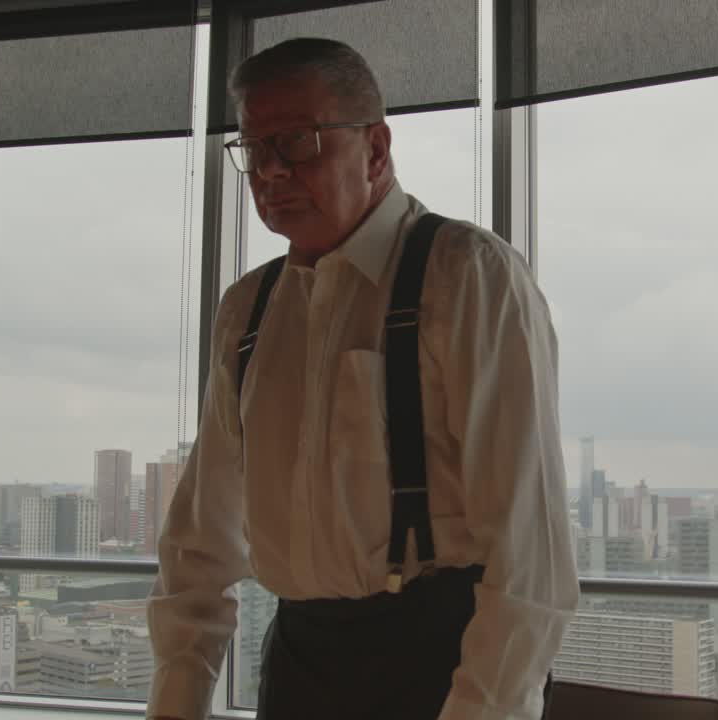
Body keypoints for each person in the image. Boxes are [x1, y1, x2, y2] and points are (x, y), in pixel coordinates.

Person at [146, 37, 578, 720]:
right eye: (254, 149)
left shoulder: (466, 275)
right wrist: (176, 703)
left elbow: (531, 554)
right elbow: (200, 539)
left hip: (441, 667)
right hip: (298, 668)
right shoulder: (248, 311)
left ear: (375, 149)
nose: (270, 172)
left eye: (297, 141)